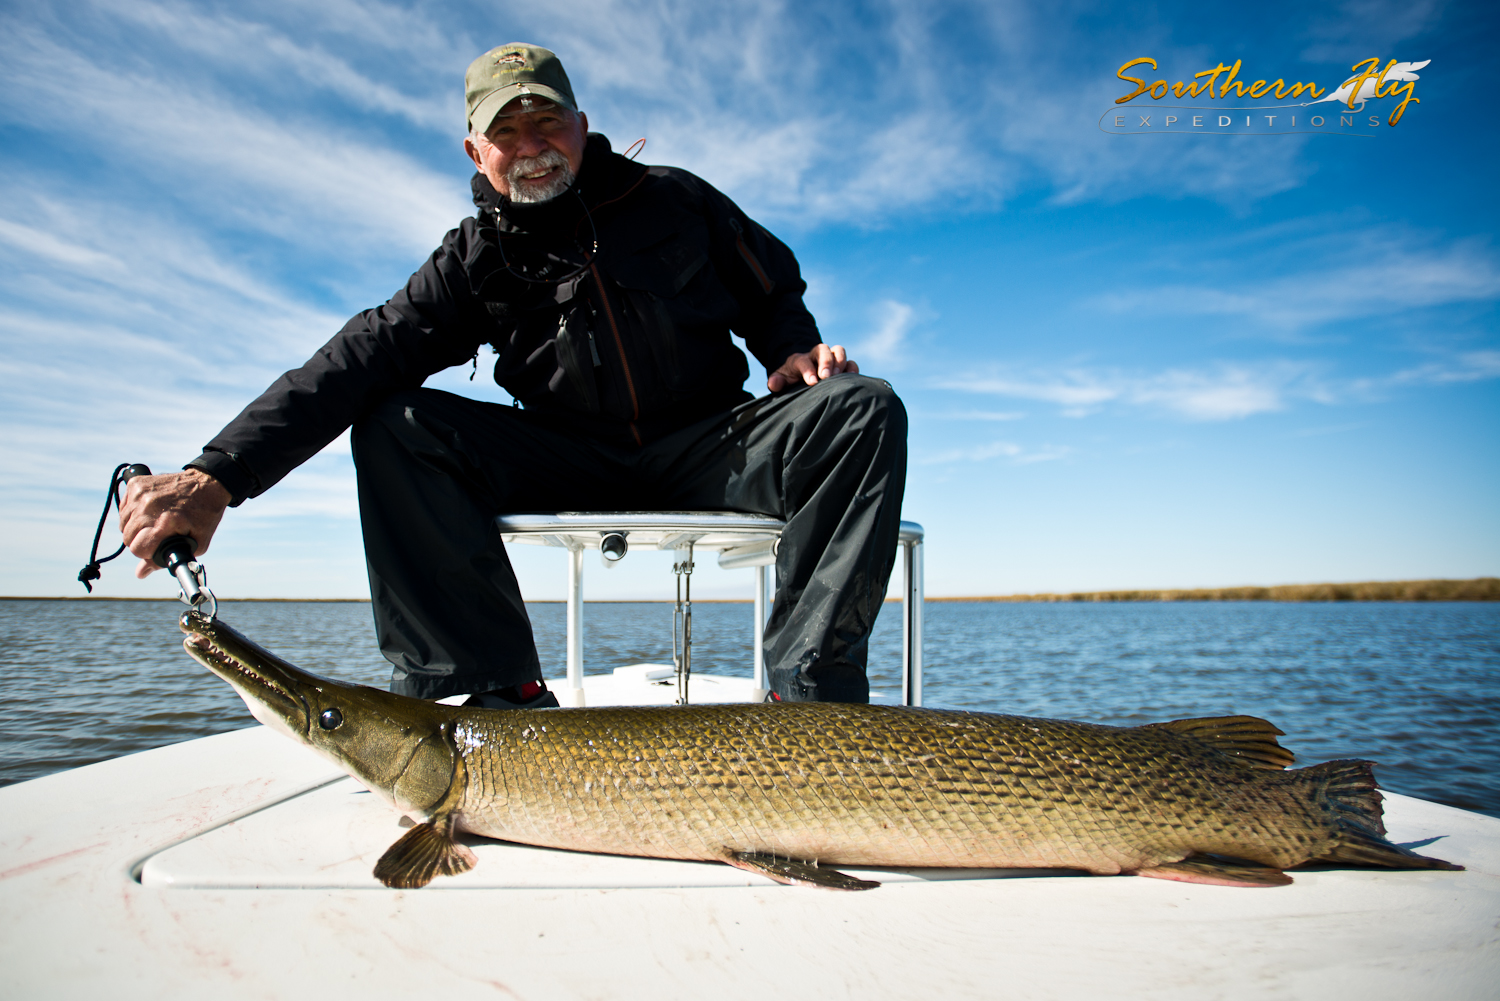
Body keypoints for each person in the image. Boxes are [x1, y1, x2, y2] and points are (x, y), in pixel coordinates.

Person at [120, 43, 906, 707]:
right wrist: (215, 476)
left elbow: (770, 289)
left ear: (581, 125)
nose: (531, 145)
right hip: (566, 455)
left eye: (546, 121)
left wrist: (793, 349)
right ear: (476, 150)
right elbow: (353, 361)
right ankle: (493, 696)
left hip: (711, 443)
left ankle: (809, 702)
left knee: (861, 408)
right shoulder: (472, 260)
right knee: (396, 424)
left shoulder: (673, 199)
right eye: (506, 130)